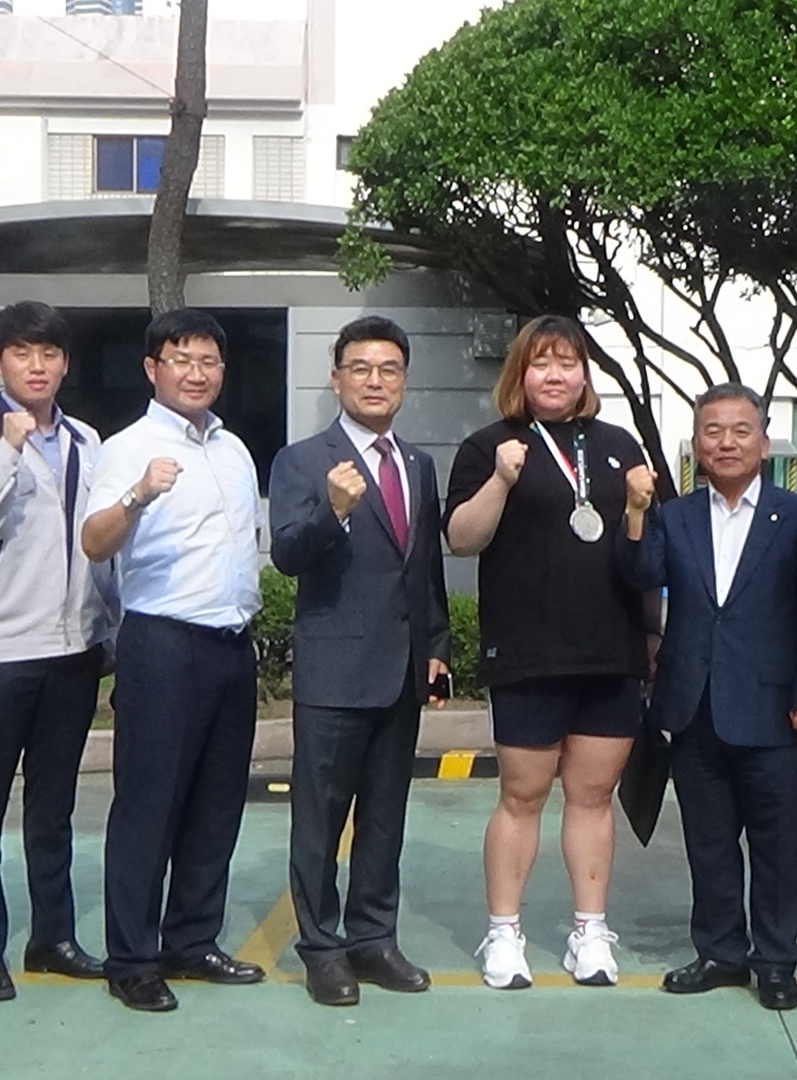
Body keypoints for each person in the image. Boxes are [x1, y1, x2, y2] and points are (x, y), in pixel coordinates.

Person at [444, 314, 649, 989]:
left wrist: (640, 512)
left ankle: (590, 931)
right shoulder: (488, 446)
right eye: (541, 363)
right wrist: (501, 481)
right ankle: (504, 934)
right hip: (527, 652)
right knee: (522, 795)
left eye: (568, 362)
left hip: (610, 652)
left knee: (593, 795)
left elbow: (648, 551)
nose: (555, 375)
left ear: (585, 374)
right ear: (520, 373)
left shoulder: (618, 445)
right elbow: (462, 539)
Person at [622, 384, 797, 1011]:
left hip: (778, 712)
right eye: (712, 431)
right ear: (697, 444)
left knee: (779, 848)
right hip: (694, 709)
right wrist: (635, 513)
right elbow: (640, 576)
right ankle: (720, 952)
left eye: (741, 431)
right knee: (708, 843)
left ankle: (776, 960)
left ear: (764, 443)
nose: (726, 442)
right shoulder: (675, 515)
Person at [79, 308, 263, 1013]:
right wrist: (139, 494)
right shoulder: (127, 448)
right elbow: (95, 542)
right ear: (152, 368)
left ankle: (192, 939)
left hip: (231, 646)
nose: (197, 373)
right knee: (148, 806)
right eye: (182, 359)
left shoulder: (234, 450)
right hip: (162, 644)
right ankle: (132, 958)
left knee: (216, 804)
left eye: (209, 360)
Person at [268, 315, 453, 1007]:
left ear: (404, 380)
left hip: (401, 672)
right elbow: (288, 554)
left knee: (383, 817)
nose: (375, 381)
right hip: (335, 674)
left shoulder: (417, 464)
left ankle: (374, 938)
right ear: (337, 377)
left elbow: (423, 568)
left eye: (389, 370)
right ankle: (322, 948)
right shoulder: (302, 461)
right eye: (361, 369)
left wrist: (437, 647)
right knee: (320, 822)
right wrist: (334, 510)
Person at [0, 301, 116, 1002]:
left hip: (73, 649)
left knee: (54, 808)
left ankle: (52, 937)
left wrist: (110, 627)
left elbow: (99, 544)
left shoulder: (86, 440)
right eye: (21, 353)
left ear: (65, 363)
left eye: (48, 354)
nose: (36, 366)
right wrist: (8, 452)